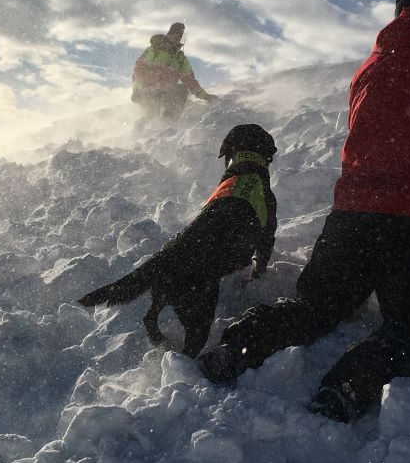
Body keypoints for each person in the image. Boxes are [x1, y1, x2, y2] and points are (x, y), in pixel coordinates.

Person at [196, 0, 410, 422]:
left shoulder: (369, 66)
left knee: (315, 306)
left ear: (398, 12)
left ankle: (238, 346)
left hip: (350, 218)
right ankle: (350, 385)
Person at [79, 124, 277, 358]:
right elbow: (266, 238)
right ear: (266, 157)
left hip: (177, 254)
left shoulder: (228, 187)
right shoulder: (262, 193)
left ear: (230, 154)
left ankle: (153, 320)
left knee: (171, 269)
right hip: (199, 271)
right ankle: (185, 364)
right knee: (194, 342)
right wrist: (259, 270)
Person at [131, 22, 214, 120]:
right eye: (174, 34)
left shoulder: (180, 58)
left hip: (168, 92)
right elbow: (138, 71)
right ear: (169, 34)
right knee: (150, 116)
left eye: (179, 35)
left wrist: (205, 96)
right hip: (148, 92)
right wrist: (136, 89)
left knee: (181, 90)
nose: (176, 37)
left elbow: (190, 81)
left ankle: (169, 121)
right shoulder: (153, 50)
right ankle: (147, 126)